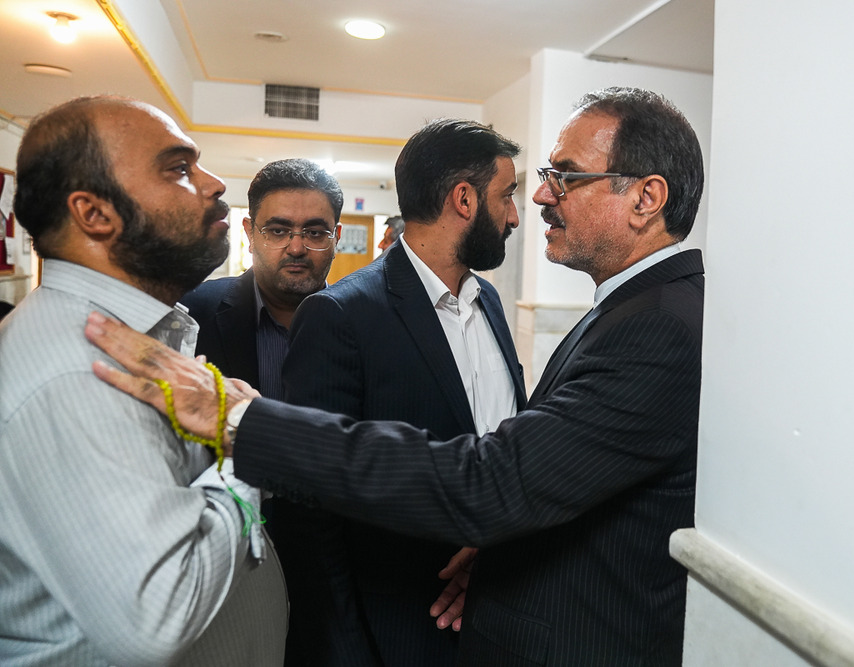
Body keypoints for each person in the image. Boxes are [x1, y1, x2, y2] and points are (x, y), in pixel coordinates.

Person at [86, 86, 705, 666]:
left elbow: (495, 477)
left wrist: (243, 420)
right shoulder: (631, 311)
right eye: (528, 185)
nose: (540, 199)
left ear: (645, 199)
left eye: (564, 176)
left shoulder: (653, 325)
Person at [0, 96, 286, 665]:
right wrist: (248, 450)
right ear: (95, 214)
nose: (213, 184)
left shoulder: (132, 336)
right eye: (178, 169)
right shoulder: (78, 374)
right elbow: (159, 615)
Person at [277, 119, 526, 666]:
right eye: (506, 195)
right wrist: (345, 651)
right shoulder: (342, 315)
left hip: (497, 616)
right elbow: (309, 508)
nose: (513, 216)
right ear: (464, 199)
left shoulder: (487, 303)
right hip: (395, 634)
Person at [180, 158, 343, 400]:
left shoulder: (364, 321)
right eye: (278, 231)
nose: (296, 248)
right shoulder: (192, 313)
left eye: (314, 233)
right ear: (250, 233)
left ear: (336, 237)